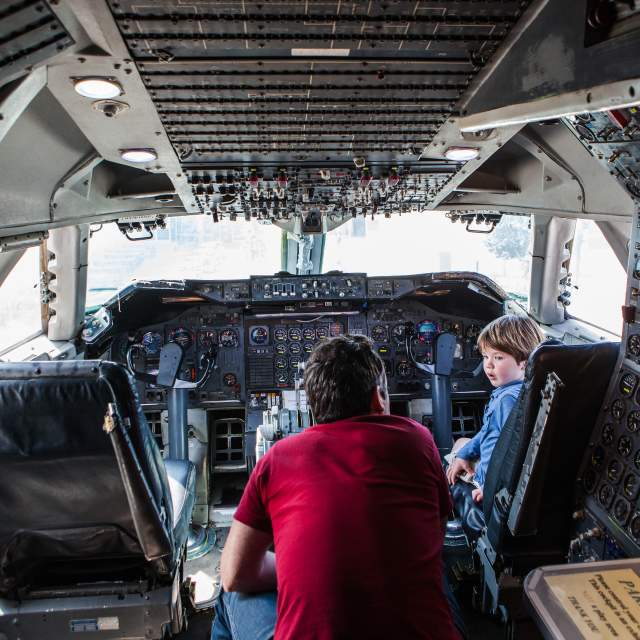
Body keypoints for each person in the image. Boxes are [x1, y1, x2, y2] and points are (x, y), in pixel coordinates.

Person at [213, 335, 461, 640]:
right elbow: (434, 538)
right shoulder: (419, 440)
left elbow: (235, 574)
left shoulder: (277, 458)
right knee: (438, 572)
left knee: (228, 591)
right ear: (377, 398)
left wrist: (305, 574)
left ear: (315, 405)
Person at [445, 315, 544, 503]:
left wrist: (489, 488)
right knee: (461, 445)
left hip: (491, 480)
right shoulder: (519, 389)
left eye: (498, 357)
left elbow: (512, 452)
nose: (488, 364)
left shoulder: (508, 400)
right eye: (485, 356)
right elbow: (489, 431)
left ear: (524, 363)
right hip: (493, 468)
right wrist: (465, 454)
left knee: (454, 453)